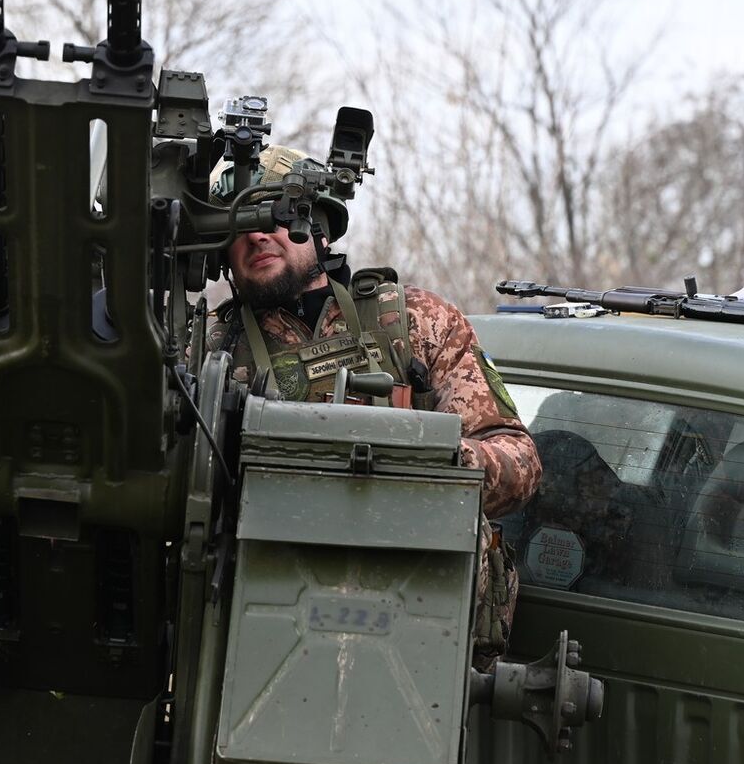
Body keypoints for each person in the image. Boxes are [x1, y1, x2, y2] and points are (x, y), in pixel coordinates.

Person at [210, 146, 543, 663]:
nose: (257, 234)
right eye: (241, 224)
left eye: (276, 214)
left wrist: (434, 459)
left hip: (418, 625)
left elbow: (520, 462)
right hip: (268, 628)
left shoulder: (415, 321)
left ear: (319, 227)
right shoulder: (212, 355)